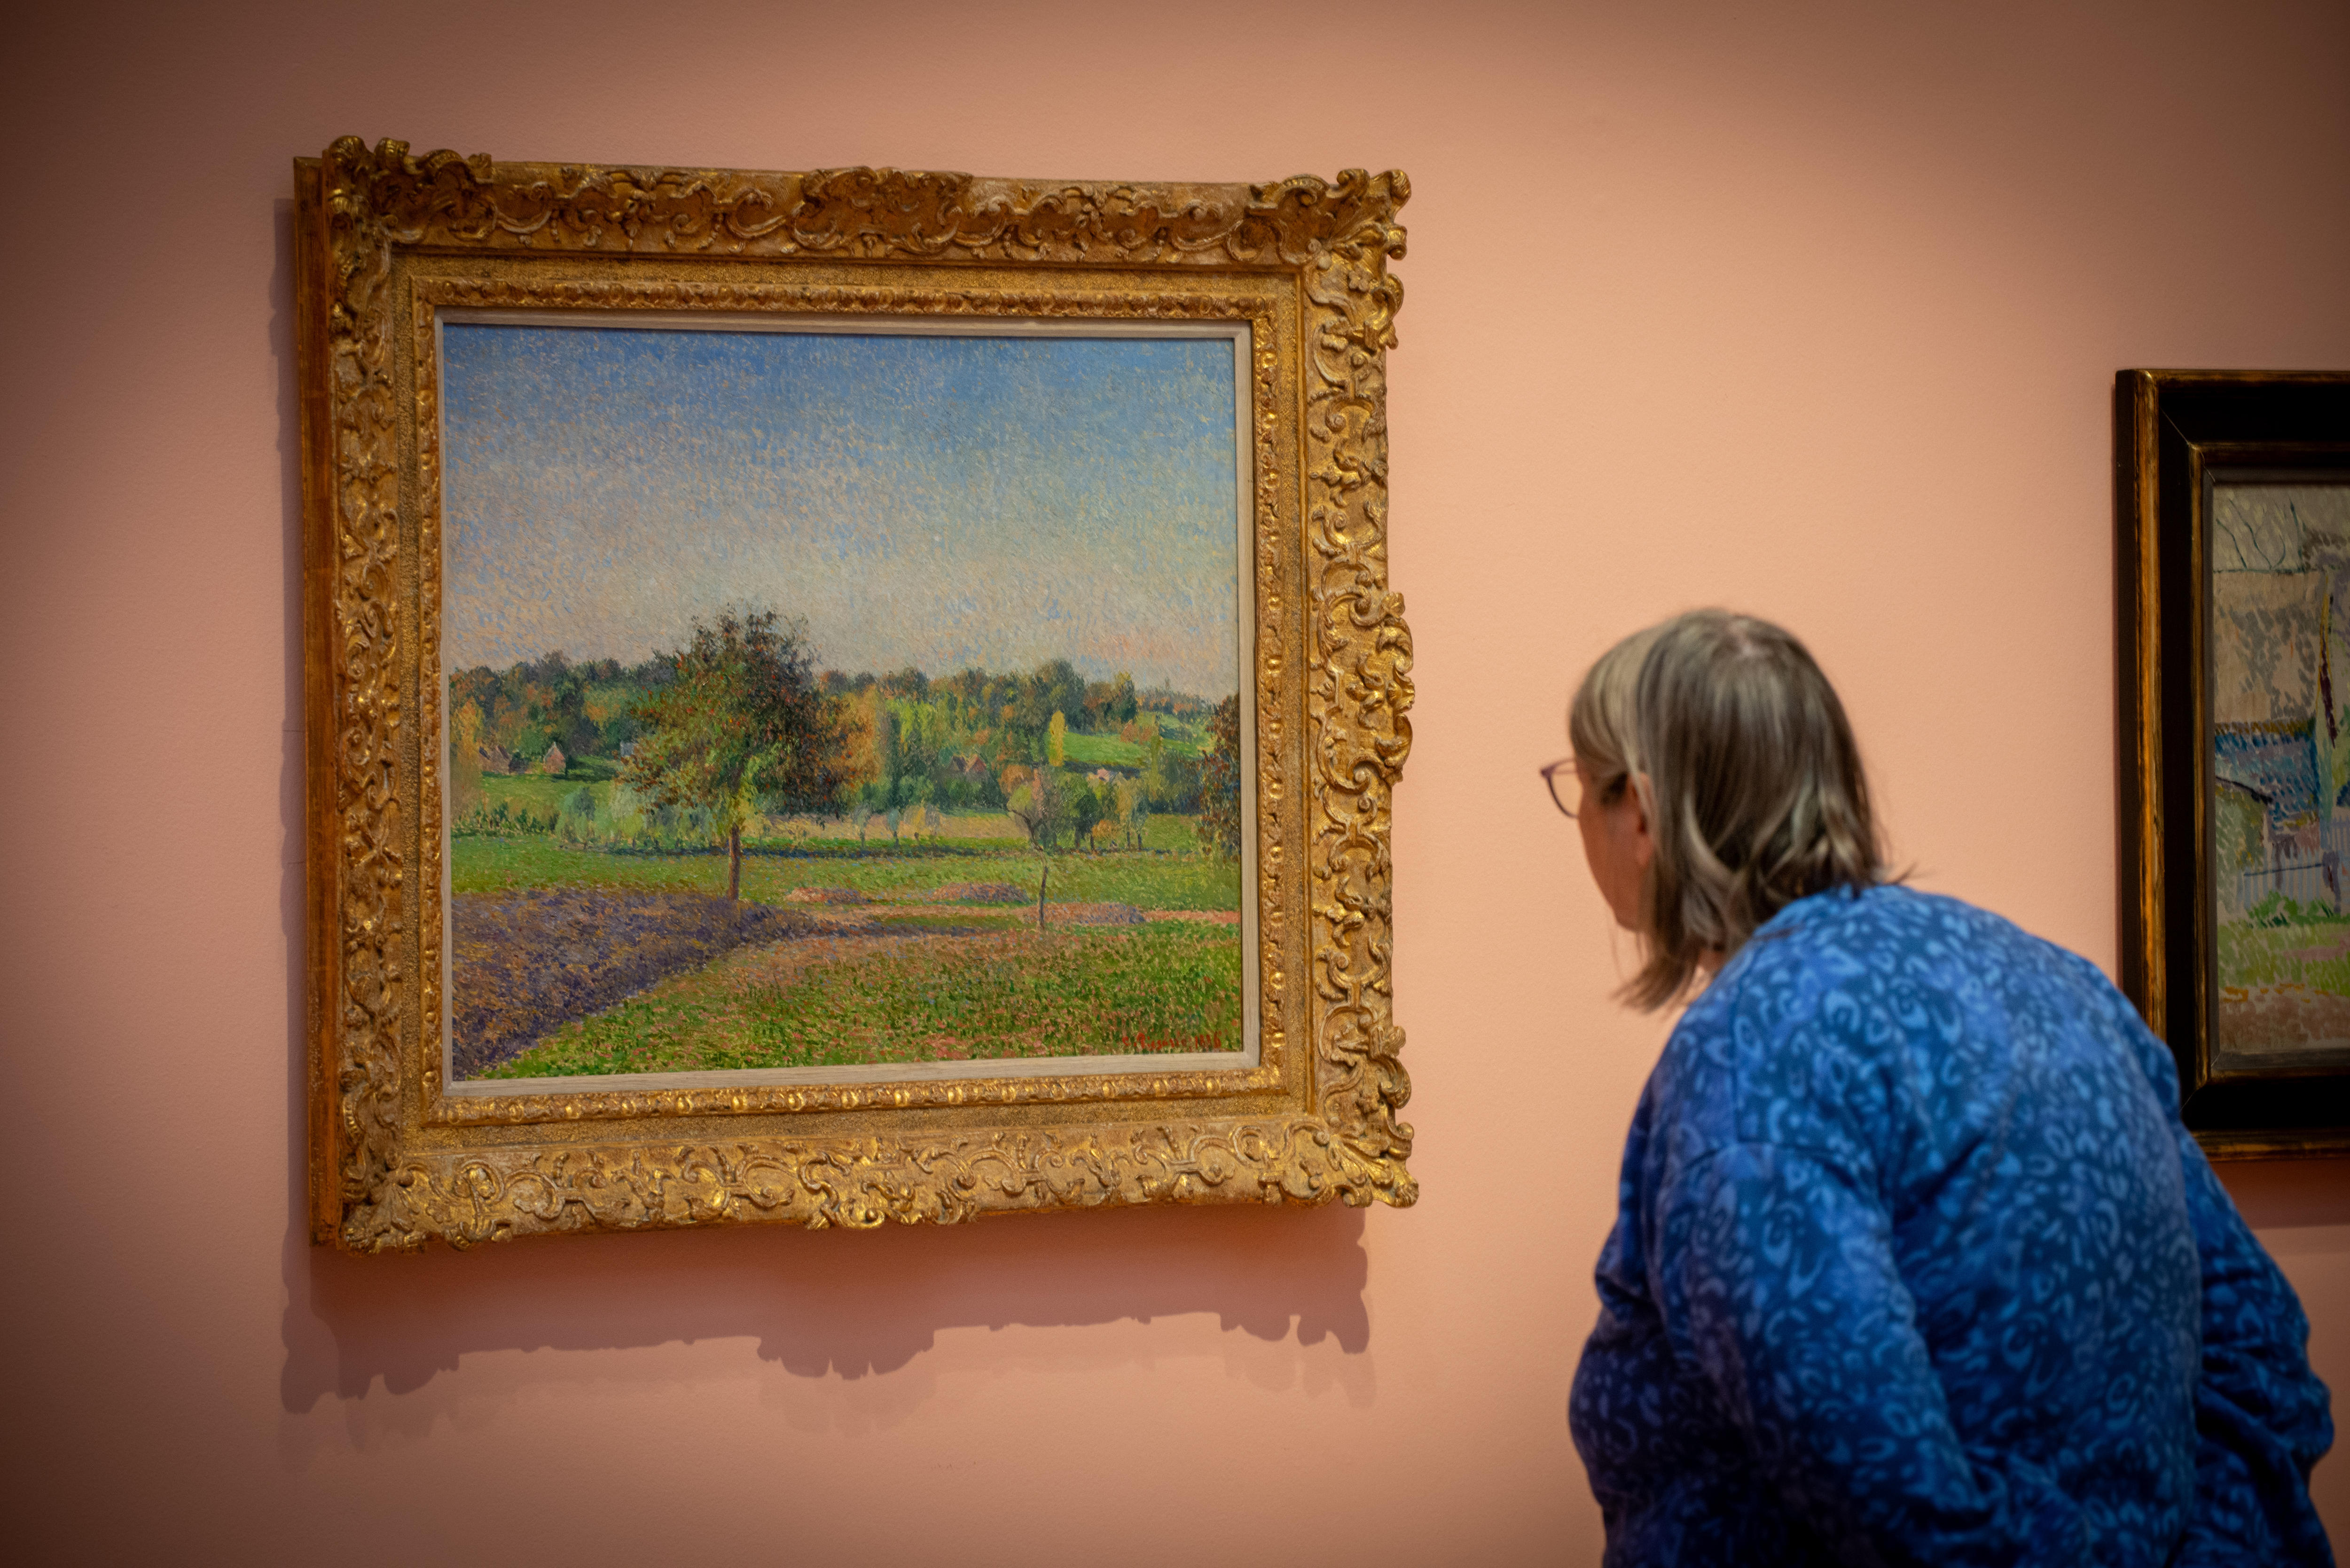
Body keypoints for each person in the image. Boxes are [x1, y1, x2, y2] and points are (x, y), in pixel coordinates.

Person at [1552, 609, 2333, 1565]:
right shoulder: (2058, 982)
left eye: (1577, 789)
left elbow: (1883, 1488)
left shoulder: (1752, 1058)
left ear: (1638, 808)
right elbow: (2262, 1360)